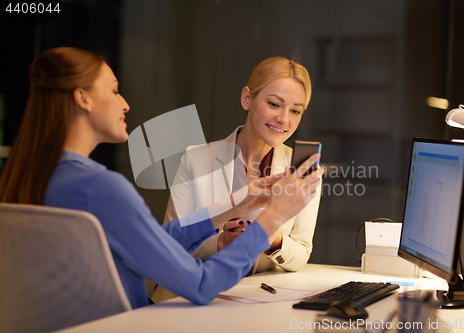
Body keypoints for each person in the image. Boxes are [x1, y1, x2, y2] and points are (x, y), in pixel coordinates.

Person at [0, 47, 323, 310]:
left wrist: (232, 206)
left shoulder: (39, 175)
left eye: (296, 110)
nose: (125, 102)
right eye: (114, 90)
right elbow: (199, 284)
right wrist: (271, 219)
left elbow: (153, 243)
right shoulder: (102, 188)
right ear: (83, 99)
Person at [163, 56, 320, 273]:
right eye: (274, 104)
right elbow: (168, 245)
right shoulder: (195, 160)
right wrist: (219, 244)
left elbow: (301, 252)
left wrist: (272, 238)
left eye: (295, 111)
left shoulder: (303, 171)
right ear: (247, 98)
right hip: (196, 297)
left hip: (259, 299)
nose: (284, 119)